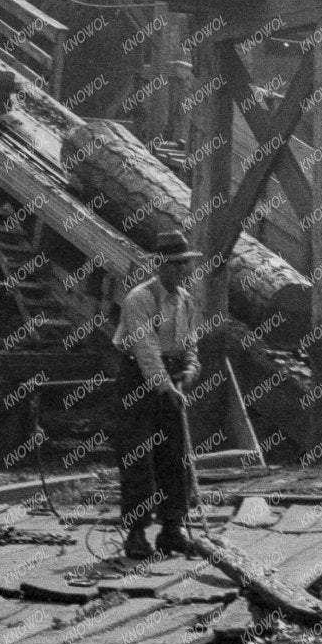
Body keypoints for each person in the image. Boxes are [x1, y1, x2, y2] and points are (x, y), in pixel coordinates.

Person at [113, 229, 203, 559]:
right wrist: (164, 388)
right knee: (138, 455)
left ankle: (172, 527)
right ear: (161, 266)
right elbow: (146, 350)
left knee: (175, 453)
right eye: (178, 265)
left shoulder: (185, 300)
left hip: (172, 375)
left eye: (185, 264)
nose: (184, 271)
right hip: (139, 379)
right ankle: (136, 533)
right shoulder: (140, 298)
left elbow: (190, 343)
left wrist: (191, 370)